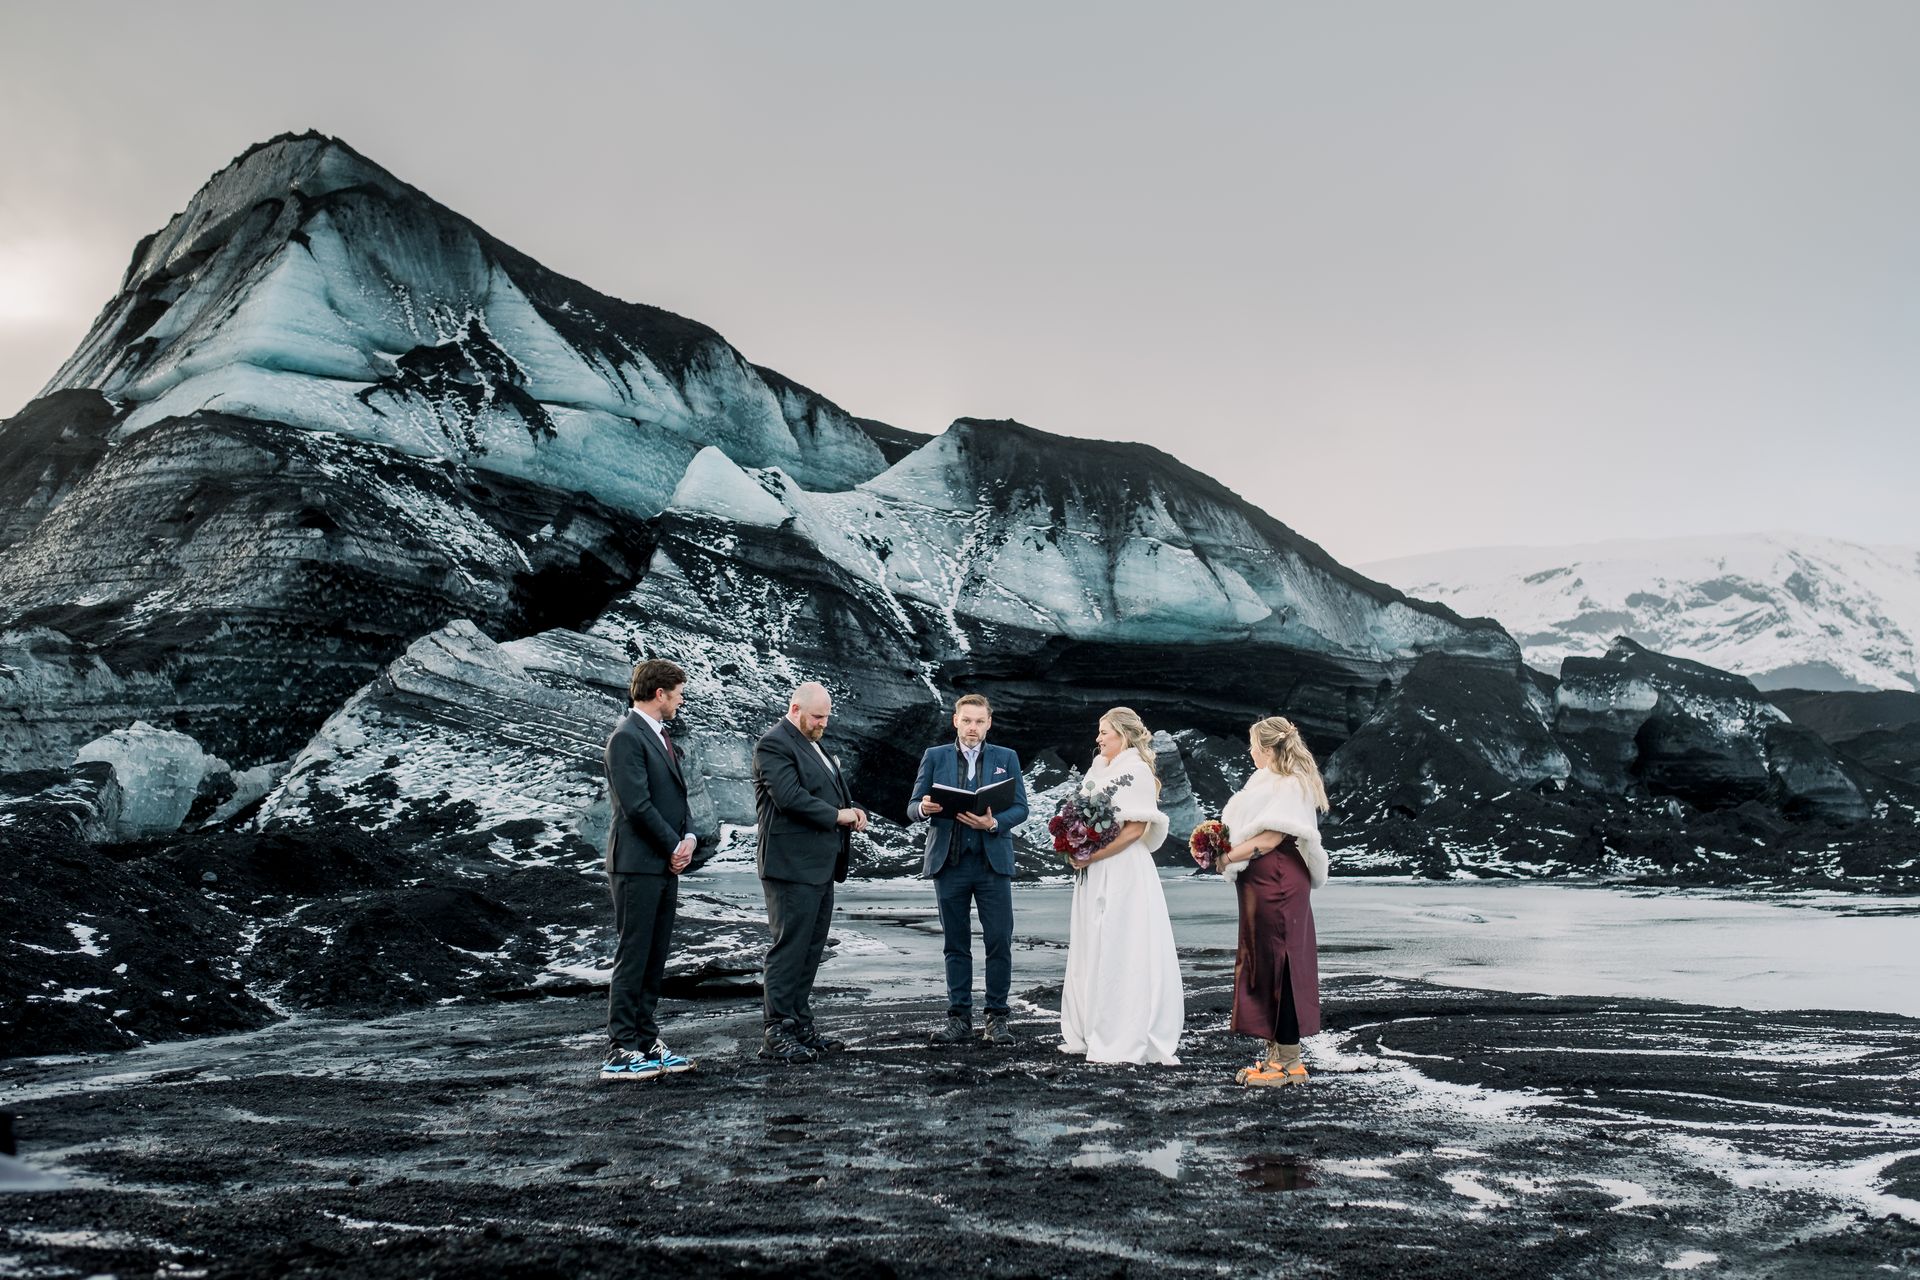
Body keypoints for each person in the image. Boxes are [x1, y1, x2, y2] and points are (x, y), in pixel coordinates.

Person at [1058, 707, 1184, 1065]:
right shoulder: (1098, 771)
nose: (1098, 739)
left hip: (1123, 869)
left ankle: (1124, 1031)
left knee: (1121, 943)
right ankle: (1091, 1025)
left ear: (1124, 736)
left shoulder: (1137, 771)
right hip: (1094, 871)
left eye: (1105, 733)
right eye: (1098, 732)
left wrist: (1093, 855)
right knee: (1093, 942)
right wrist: (1075, 844)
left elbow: (1135, 829)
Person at [752, 681, 869, 1064]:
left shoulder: (814, 743)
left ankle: (800, 1025)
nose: (823, 723)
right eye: (817, 716)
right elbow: (789, 797)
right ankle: (777, 1031)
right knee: (789, 948)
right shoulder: (774, 743)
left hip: (818, 866)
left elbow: (827, 792)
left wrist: (853, 810)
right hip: (790, 866)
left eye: (826, 717)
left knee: (810, 949)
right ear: (795, 708)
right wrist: (839, 815)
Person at [600, 659, 703, 1080]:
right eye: (678, 693)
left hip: (661, 864)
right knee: (635, 953)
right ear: (659, 694)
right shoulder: (626, 738)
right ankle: (620, 1049)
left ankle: (646, 1040)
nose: (681, 701)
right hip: (637, 864)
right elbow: (636, 805)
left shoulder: (660, 738)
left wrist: (690, 838)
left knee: (655, 955)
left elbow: (677, 802)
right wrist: (674, 845)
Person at [908, 694, 1030, 1047]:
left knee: (999, 941)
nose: (972, 727)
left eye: (979, 721)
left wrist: (993, 822)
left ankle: (997, 1019)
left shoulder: (1007, 758)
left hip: (993, 864)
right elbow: (912, 806)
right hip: (950, 863)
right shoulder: (934, 756)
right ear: (955, 721)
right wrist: (925, 808)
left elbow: (1020, 808)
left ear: (989, 722)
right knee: (955, 944)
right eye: (967, 720)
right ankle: (959, 1020)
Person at [1216, 715, 1331, 1088]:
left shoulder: (1290, 784)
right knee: (1267, 962)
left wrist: (1227, 857)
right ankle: (1277, 1058)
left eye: (1253, 745)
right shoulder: (1269, 781)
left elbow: (1269, 837)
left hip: (1277, 878)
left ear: (1266, 749)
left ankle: (1289, 1064)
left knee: (1282, 964)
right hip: (1264, 880)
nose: (1249, 751)